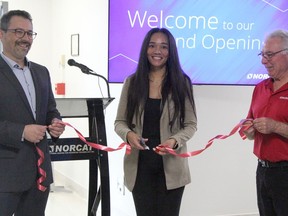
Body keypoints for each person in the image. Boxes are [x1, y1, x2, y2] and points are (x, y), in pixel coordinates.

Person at [114, 28, 197, 216]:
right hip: (140, 168)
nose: (157, 51)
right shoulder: (132, 82)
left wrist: (174, 141)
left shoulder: (181, 83)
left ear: (171, 51)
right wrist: (129, 135)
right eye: (152, 46)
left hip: (172, 169)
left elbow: (191, 124)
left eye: (163, 46)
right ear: (145, 49)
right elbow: (119, 122)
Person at [0, 10, 65, 216]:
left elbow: (50, 110)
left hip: (39, 173)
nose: (25, 39)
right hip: (5, 175)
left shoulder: (41, 72)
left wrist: (55, 123)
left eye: (30, 33)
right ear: (1, 34)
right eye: (19, 32)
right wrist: (21, 131)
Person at [243, 29, 288, 216]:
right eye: (262, 55)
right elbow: (249, 127)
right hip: (262, 172)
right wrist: (248, 129)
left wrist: (276, 126)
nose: (263, 61)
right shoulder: (260, 88)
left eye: (269, 55)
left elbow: (273, 126)